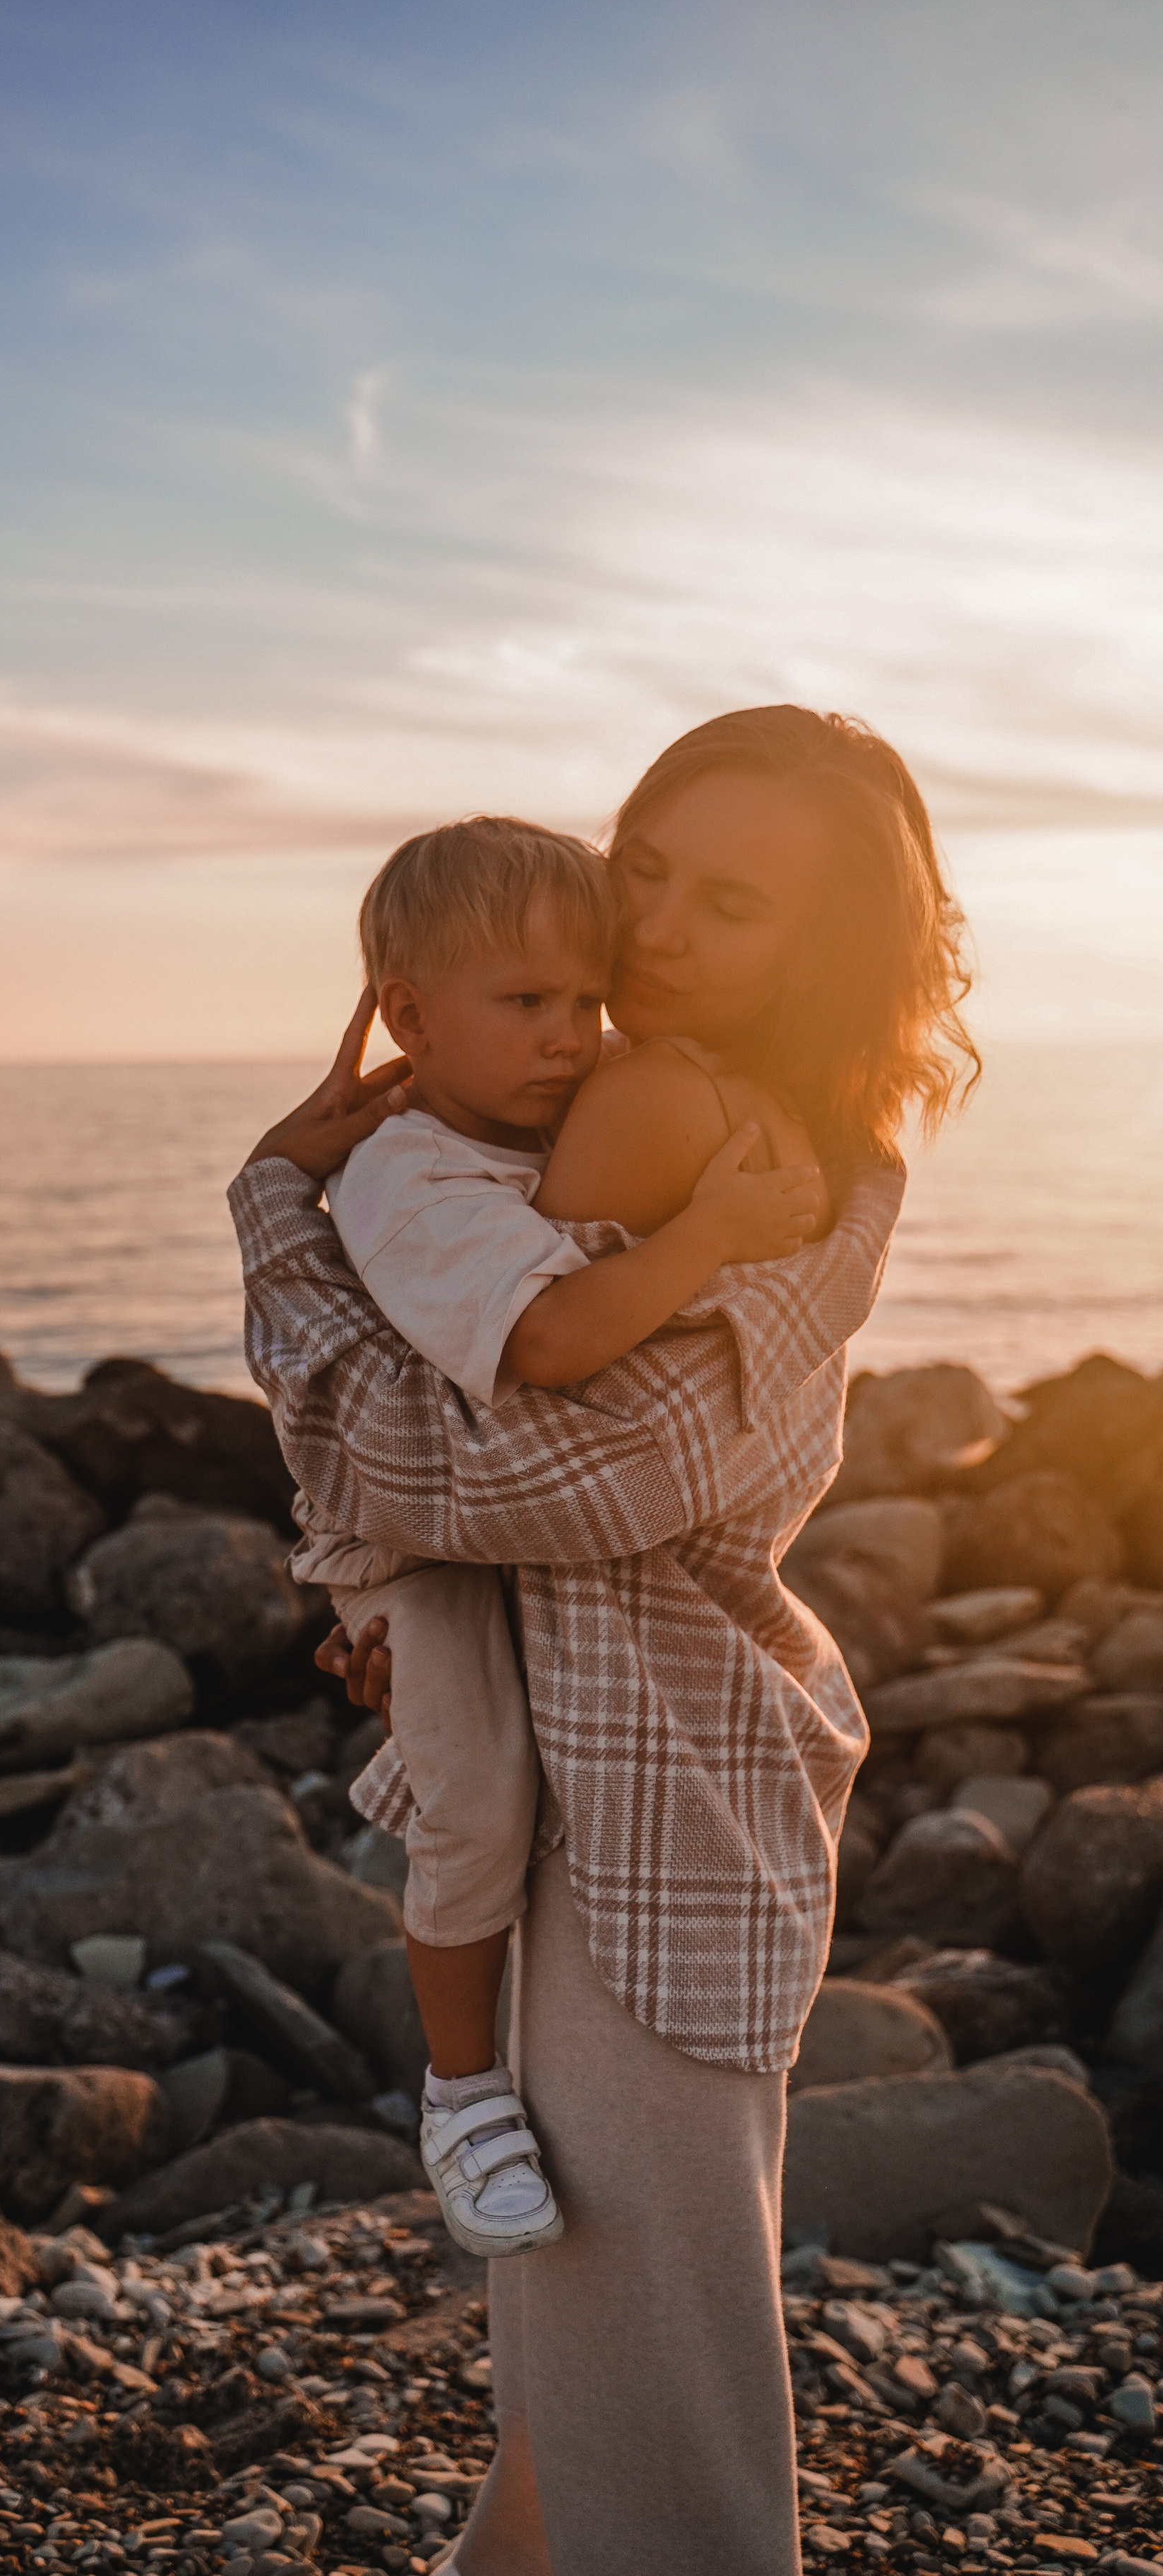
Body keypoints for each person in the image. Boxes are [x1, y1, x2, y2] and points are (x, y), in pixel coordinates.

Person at [231, 706, 976, 2576]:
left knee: (661, 2302)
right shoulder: (610, 1095)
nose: (655, 923)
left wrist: (276, 1221)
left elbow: (492, 1469)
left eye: (730, 905)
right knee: (594, 2265)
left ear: (825, 955)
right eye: (648, 861)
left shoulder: (779, 1166)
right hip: (585, 1750)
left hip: (676, 1788)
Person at [294, 812, 824, 2256]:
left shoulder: (518, 1136)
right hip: (413, 1543)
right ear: (405, 1018)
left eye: (582, 1004)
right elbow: (557, 1343)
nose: (569, 1038)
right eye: (524, 1006)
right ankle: (461, 2091)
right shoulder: (416, 1178)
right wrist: (708, 1232)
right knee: (475, 1790)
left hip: (475, 1510)